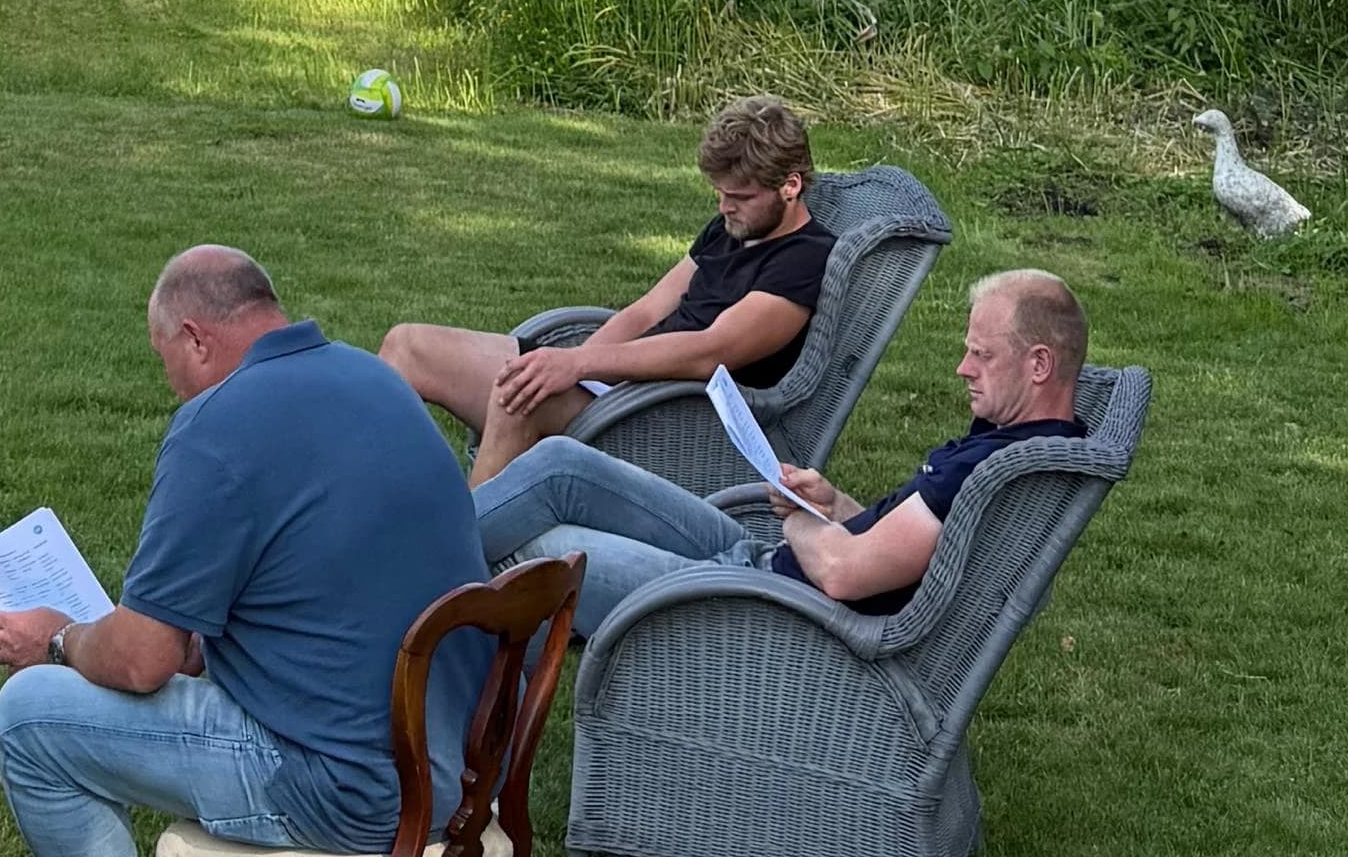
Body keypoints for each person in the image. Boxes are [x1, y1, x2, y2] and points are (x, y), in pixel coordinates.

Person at [0, 245, 488, 857]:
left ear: (195, 337)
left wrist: (60, 640)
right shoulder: (375, 383)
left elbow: (144, 660)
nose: (170, 385)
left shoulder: (220, 426)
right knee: (251, 668)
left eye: (165, 363)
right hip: (455, 770)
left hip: (356, 791)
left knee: (30, 718)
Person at [470, 270, 1096, 632]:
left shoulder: (997, 470)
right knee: (561, 466)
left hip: (765, 616)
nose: (962, 368)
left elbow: (844, 572)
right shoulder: (1016, 446)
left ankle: (411, 587)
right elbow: (897, 548)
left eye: (980, 354)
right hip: (764, 566)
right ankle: (416, 555)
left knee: (536, 550)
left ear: (1039, 364)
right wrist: (834, 505)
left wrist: (801, 521)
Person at [382, 91, 829, 480]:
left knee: (517, 396)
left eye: (739, 197)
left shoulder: (802, 260)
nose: (724, 207)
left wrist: (578, 366)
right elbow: (646, 311)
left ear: (789, 187)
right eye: (719, 193)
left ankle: (461, 560)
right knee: (408, 346)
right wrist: (571, 364)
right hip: (623, 381)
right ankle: (385, 506)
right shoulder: (732, 228)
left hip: (671, 414)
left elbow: (708, 351)